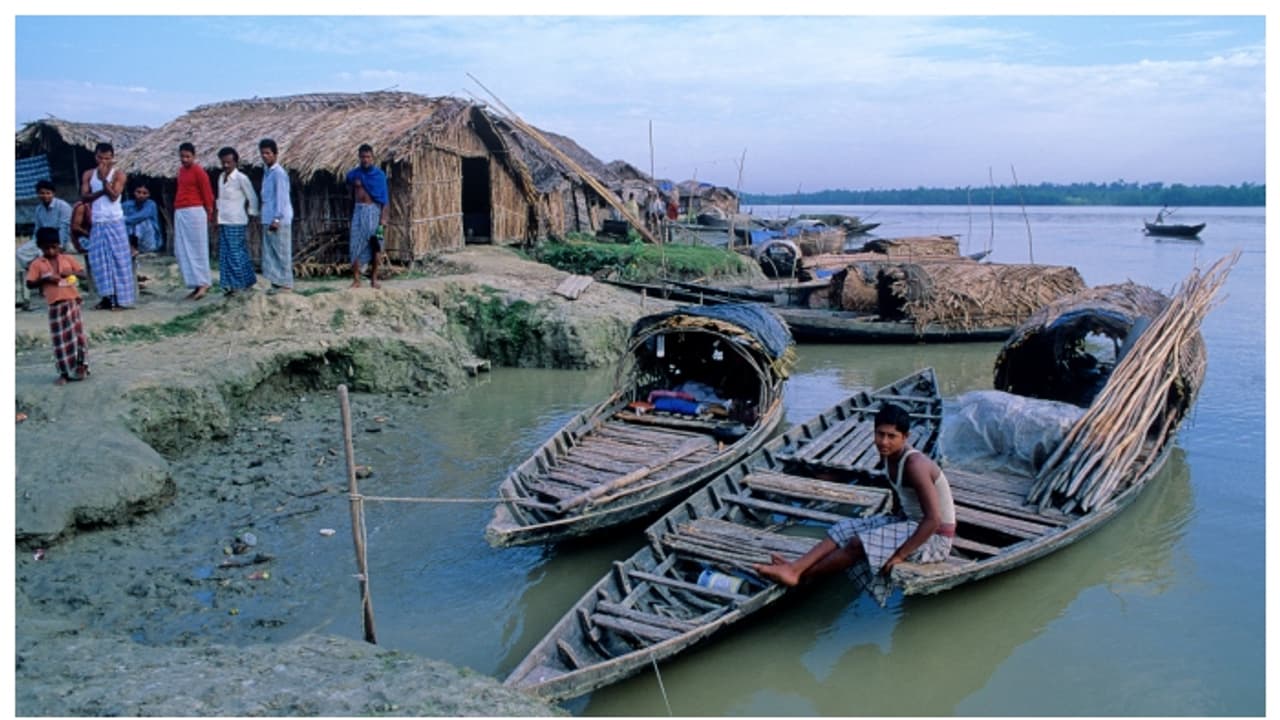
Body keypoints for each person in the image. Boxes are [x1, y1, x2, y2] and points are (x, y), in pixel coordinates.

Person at [754, 403, 956, 606]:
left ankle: (802, 574)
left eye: (891, 436)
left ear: (905, 437)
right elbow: (898, 492)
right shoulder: (887, 455)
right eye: (880, 434)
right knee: (842, 529)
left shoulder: (914, 464)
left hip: (935, 539)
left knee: (857, 543)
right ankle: (795, 568)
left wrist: (899, 555)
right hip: (908, 522)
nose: (884, 441)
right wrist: (887, 523)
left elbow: (933, 520)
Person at [25, 227, 89, 385]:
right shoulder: (37, 264)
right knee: (60, 341)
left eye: (55, 247)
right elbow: (29, 283)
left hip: (72, 302)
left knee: (77, 337)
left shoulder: (67, 259)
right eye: (47, 248)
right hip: (55, 306)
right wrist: (45, 280)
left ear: (59, 245)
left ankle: (81, 366)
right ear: (40, 247)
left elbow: (84, 275)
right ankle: (64, 372)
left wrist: (70, 274)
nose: (52, 251)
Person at [80, 142, 135, 310]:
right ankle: (106, 297)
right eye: (100, 158)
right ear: (95, 157)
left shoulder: (118, 174)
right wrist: (101, 191)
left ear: (112, 158)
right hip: (98, 221)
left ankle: (121, 299)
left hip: (114, 221)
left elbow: (113, 196)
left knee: (119, 260)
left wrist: (105, 181)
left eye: (107, 158)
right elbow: (84, 196)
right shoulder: (89, 174)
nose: (103, 161)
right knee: (99, 261)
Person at [17, 180, 73, 310]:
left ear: (53, 193)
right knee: (20, 252)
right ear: (38, 194)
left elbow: (65, 227)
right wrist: (35, 244)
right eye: (42, 193)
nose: (45, 196)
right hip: (43, 239)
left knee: (43, 254)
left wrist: (60, 245)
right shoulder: (38, 209)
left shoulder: (63, 206)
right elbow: (37, 229)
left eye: (48, 193)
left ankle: (46, 279)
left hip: (59, 239)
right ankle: (40, 273)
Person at [215, 146, 260, 296]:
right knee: (226, 253)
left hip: (236, 220)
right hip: (224, 220)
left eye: (229, 162)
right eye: (223, 163)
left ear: (235, 162)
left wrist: (251, 213)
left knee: (236, 253)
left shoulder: (241, 178)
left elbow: (252, 197)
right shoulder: (221, 178)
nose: (226, 165)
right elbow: (220, 199)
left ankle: (242, 284)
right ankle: (230, 285)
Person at [173, 142, 215, 300]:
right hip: (181, 210)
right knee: (184, 249)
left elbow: (207, 193)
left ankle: (204, 283)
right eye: (182, 156)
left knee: (198, 248)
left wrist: (209, 212)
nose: (184, 159)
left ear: (194, 156)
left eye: (187, 156)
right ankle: (194, 283)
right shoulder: (180, 171)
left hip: (195, 211)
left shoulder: (199, 171)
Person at [344, 143, 388, 289]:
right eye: (363, 157)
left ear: (373, 158)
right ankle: (357, 280)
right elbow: (348, 183)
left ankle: (374, 279)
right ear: (359, 158)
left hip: (375, 213)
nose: (365, 160)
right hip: (359, 212)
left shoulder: (379, 176)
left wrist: (383, 219)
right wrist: (355, 185)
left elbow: (385, 199)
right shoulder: (354, 174)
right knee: (355, 245)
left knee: (377, 246)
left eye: (368, 157)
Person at [258, 138, 294, 294]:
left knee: (281, 251)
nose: (265, 156)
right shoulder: (267, 173)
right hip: (268, 217)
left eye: (268, 153)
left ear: (275, 154)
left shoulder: (279, 174)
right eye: (262, 153)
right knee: (270, 253)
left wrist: (277, 218)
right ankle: (276, 283)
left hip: (278, 219)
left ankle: (286, 284)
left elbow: (282, 197)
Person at [123, 184, 163, 254]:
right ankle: (131, 248)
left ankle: (135, 248)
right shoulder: (127, 204)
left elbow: (141, 216)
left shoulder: (151, 204)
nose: (141, 195)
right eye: (138, 192)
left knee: (141, 222)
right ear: (134, 192)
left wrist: (122, 220)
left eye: (145, 193)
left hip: (149, 241)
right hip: (131, 240)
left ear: (149, 195)